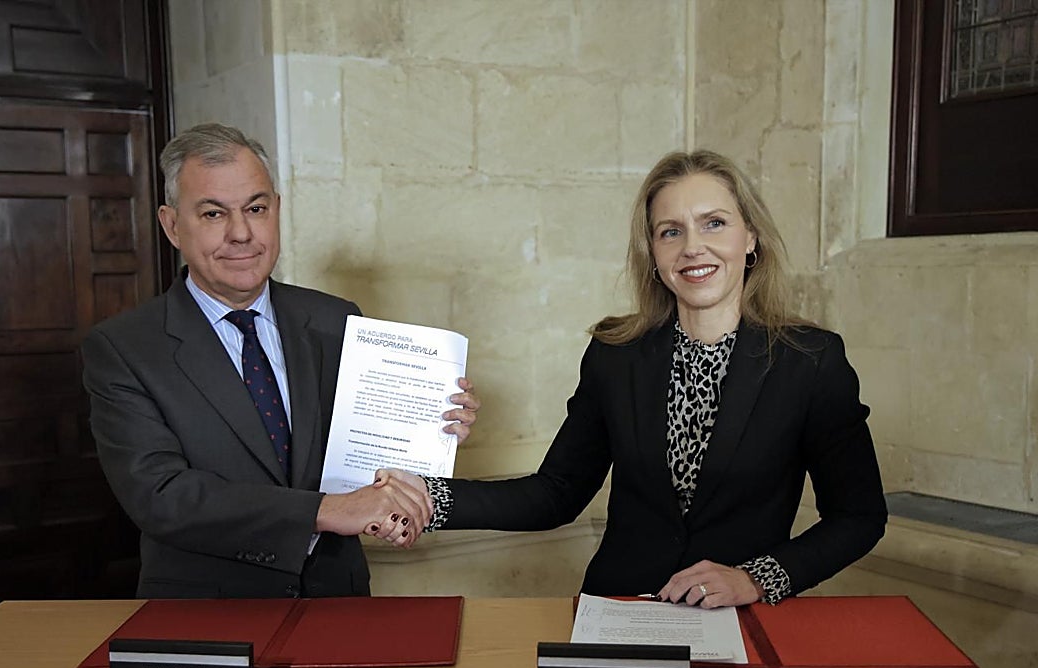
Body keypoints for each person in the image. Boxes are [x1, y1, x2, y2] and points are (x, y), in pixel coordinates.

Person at [370, 149, 886, 609]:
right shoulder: (615, 355)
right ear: (654, 254)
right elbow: (555, 493)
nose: (692, 248)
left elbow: (859, 516)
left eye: (714, 223)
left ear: (750, 238)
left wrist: (755, 579)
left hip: (738, 620)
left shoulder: (811, 360)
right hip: (619, 607)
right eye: (671, 231)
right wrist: (429, 498)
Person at [82, 122, 479, 603]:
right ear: (171, 225)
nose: (241, 233)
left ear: (276, 211)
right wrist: (324, 511)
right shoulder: (125, 347)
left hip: (337, 601)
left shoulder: (336, 319)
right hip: (208, 614)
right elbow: (163, 496)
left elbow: (360, 460)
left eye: (256, 208)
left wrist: (429, 430)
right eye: (213, 213)